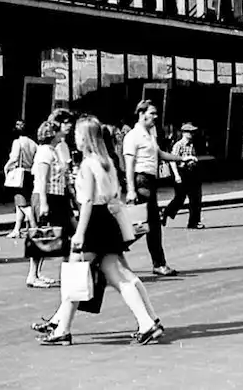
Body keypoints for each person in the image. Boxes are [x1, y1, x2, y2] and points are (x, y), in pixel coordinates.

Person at [36, 115, 165, 346]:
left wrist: (79, 233)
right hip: (108, 220)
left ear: (85, 138)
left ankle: (62, 329)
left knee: (75, 275)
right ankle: (148, 320)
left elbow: (86, 202)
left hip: (93, 222)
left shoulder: (87, 165)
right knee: (120, 275)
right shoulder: (106, 162)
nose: (74, 138)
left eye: (77, 134)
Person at [124, 101, 194, 277]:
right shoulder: (133, 136)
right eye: (152, 113)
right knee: (151, 223)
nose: (156, 116)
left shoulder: (149, 135)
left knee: (143, 223)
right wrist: (131, 189)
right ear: (141, 113)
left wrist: (181, 159)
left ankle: (114, 249)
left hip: (149, 180)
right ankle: (158, 263)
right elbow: (129, 164)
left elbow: (160, 154)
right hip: (141, 181)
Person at [27, 119, 73, 288]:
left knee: (54, 235)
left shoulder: (54, 150)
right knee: (42, 236)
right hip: (46, 197)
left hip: (57, 196)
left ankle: (38, 273)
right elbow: (41, 179)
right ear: (51, 133)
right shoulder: (45, 152)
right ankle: (33, 275)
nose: (62, 132)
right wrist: (44, 203)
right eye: (58, 130)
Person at [162, 123, 203, 229]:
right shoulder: (178, 145)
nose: (192, 134)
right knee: (180, 198)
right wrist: (176, 175)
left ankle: (194, 222)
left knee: (196, 198)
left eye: (193, 132)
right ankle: (166, 212)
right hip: (182, 173)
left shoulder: (192, 144)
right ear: (184, 133)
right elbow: (172, 160)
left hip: (192, 172)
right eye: (190, 132)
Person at [4, 120, 38, 239]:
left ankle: (34, 227)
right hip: (29, 174)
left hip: (20, 175)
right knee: (20, 203)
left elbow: (14, 158)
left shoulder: (17, 142)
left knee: (23, 204)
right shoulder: (34, 143)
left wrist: (6, 167)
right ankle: (16, 229)